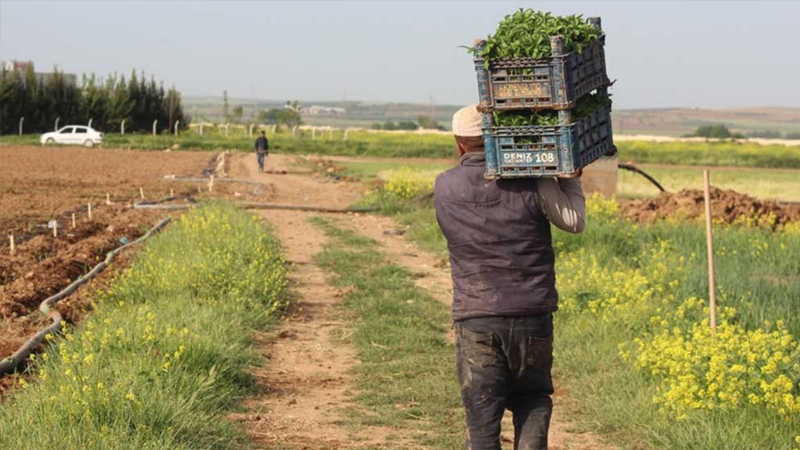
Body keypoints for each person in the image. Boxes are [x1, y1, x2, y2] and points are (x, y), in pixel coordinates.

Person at [433, 105, 586, 450]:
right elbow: (575, 222)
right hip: (532, 313)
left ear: (458, 144)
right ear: (495, 137)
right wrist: (569, 175)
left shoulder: (444, 187)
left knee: (482, 415)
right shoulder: (532, 179)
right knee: (532, 398)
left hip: (476, 317)